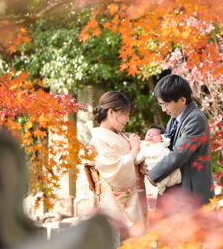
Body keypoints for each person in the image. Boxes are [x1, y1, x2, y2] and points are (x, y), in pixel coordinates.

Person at [146, 74, 214, 205]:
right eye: (161, 105)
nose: (164, 109)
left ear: (182, 100)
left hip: (192, 190)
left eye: (165, 104)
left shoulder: (196, 119)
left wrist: (153, 174)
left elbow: (179, 153)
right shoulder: (173, 120)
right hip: (176, 189)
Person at [89, 91, 144, 240]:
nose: (127, 119)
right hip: (115, 202)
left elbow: (130, 162)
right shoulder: (98, 140)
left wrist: (141, 165)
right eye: (125, 114)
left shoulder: (119, 135)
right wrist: (134, 150)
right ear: (111, 112)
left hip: (133, 197)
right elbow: (113, 171)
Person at [135, 125, 181, 195]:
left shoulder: (162, 148)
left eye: (154, 135)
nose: (150, 136)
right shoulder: (145, 148)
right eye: (148, 135)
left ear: (162, 138)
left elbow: (136, 160)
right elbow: (138, 159)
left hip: (163, 170)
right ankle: (162, 186)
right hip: (153, 174)